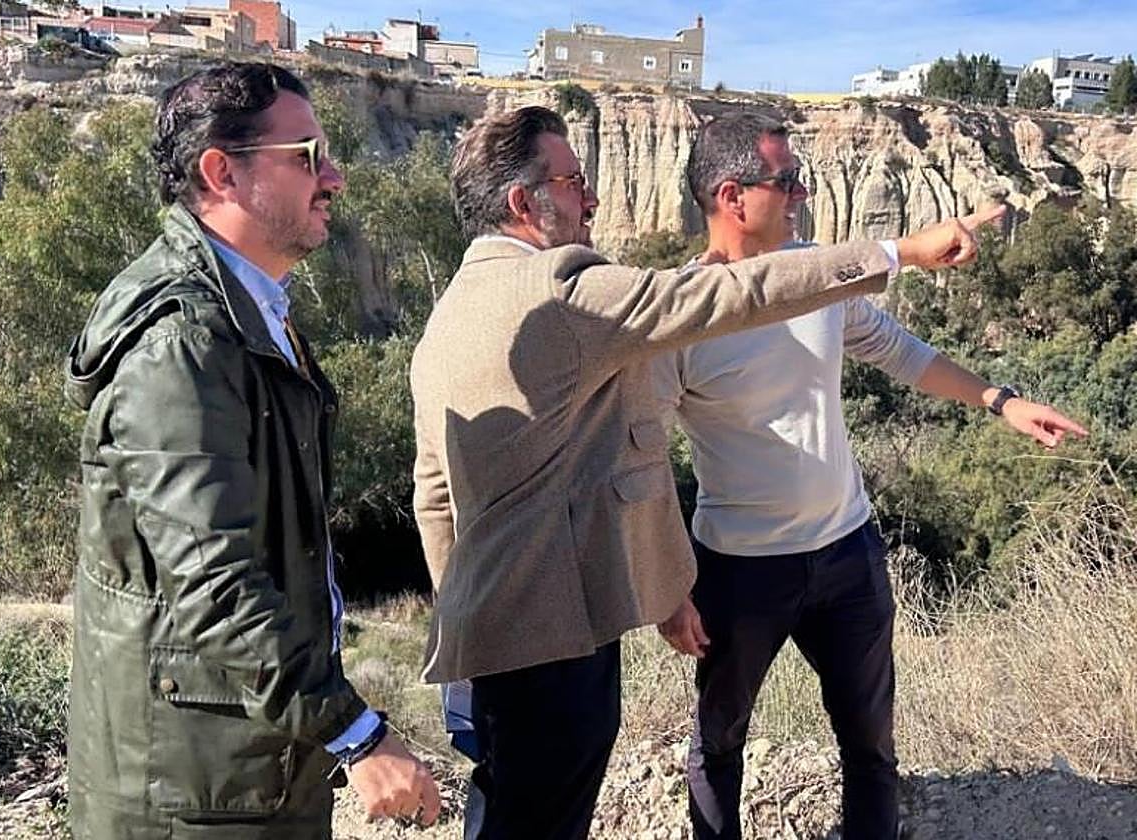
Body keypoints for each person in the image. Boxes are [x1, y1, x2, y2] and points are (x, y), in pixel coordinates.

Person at [408, 104, 1002, 840]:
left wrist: (465, 618)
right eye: (574, 182)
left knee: (505, 809)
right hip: (557, 635)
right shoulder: (559, 286)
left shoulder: (447, 317)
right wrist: (900, 251)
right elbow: (732, 294)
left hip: (485, 635)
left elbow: (434, 494)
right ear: (522, 203)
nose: (591, 198)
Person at [650, 113, 1088, 840]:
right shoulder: (683, 317)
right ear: (731, 197)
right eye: (787, 180)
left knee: (871, 750)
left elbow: (899, 350)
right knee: (719, 745)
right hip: (739, 571)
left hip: (847, 556)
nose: (802, 193)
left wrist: (1001, 400)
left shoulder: (818, 276)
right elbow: (642, 460)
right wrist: (667, 587)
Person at [64, 62, 440, 838]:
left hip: (243, 769)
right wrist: (355, 734)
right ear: (220, 172)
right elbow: (215, 583)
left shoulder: (247, 312)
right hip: (192, 797)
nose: (333, 178)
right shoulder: (182, 344)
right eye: (307, 156)